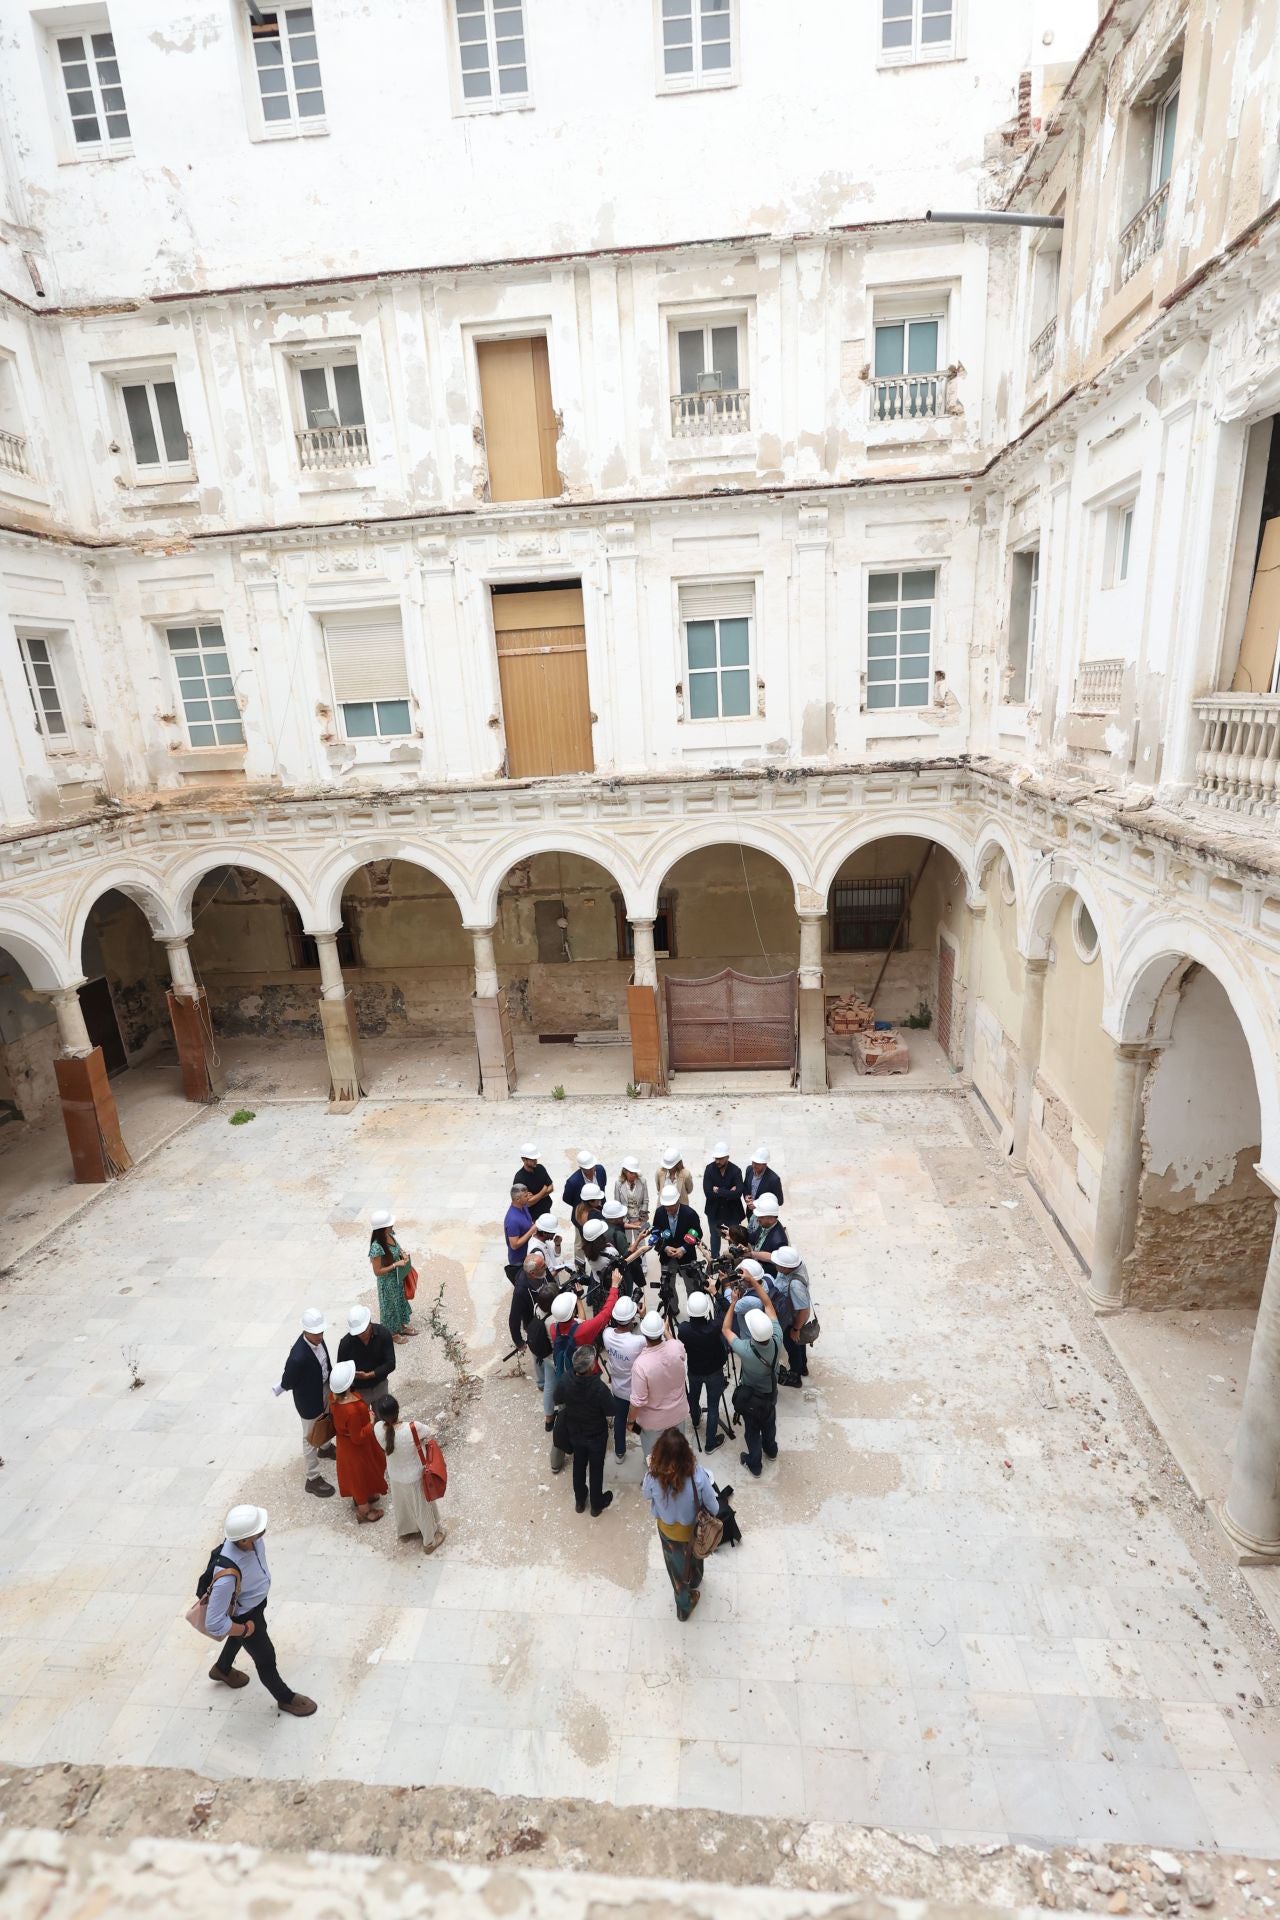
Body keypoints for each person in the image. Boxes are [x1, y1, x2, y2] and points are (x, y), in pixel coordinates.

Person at [206, 1503, 317, 1714]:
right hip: (245, 1617)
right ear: (243, 1539)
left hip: (255, 1606)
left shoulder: (251, 1542)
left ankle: (222, 1668)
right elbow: (214, 1622)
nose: (263, 1531)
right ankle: (285, 1698)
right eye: (259, 1530)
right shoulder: (226, 1575)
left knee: (240, 1640)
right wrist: (245, 1630)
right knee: (266, 1658)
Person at [642, 1429, 720, 1623]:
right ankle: (696, 1579)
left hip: (668, 1534)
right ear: (686, 1453)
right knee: (696, 1557)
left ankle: (684, 1607)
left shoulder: (652, 1477)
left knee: (676, 1572)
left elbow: (646, 1495)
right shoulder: (698, 1476)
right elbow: (714, 1507)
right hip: (693, 1532)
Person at [722, 1279, 783, 1477]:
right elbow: (768, 1305)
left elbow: (726, 1330)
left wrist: (732, 1302)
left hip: (751, 1397)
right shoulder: (776, 1339)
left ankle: (755, 1463)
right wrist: (756, 1284)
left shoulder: (745, 1349)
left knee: (751, 1431)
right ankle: (771, 1450)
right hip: (770, 1394)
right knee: (769, 1422)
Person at [274, 1307, 336, 1499]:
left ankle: (325, 1448)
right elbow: (288, 1382)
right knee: (310, 1438)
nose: (320, 1336)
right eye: (316, 1333)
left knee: (327, 1419)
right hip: (309, 1401)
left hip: (324, 1388)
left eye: (321, 1332)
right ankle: (312, 1477)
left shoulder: (319, 1340)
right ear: (305, 1331)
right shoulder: (297, 1356)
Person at [376, 1394, 446, 1554]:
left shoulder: (377, 1429)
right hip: (414, 1476)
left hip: (395, 1475)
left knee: (403, 1505)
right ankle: (429, 1541)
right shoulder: (413, 1428)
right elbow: (428, 1433)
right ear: (398, 1408)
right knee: (422, 1508)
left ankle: (407, 1530)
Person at [552, 1347, 615, 1516]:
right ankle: (596, 1505)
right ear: (590, 1366)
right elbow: (611, 1409)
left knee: (579, 1465)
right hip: (596, 1435)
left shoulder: (566, 1379)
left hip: (575, 1431)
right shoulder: (599, 1387)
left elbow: (557, 1398)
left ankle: (580, 1501)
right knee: (596, 1468)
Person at [329, 1358, 387, 1522]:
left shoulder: (333, 1398)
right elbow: (358, 1437)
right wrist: (370, 1421)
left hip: (344, 1444)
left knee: (358, 1473)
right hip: (356, 1448)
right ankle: (365, 1511)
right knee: (359, 1476)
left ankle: (366, 1496)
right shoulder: (352, 1410)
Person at [628, 1309, 691, 1456]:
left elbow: (637, 1401)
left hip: (654, 1423)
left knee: (654, 1459)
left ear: (644, 1335)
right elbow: (675, 1345)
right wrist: (667, 1331)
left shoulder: (641, 1365)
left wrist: (631, 1422)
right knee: (678, 1456)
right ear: (661, 1331)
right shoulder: (676, 1347)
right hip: (678, 1415)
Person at [679, 1290, 728, 1453]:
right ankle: (710, 1443)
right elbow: (727, 1309)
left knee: (693, 1397)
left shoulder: (684, 1330)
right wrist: (716, 1292)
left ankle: (695, 1419)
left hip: (694, 1371)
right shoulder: (714, 1327)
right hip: (714, 1372)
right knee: (713, 1406)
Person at [601, 1295, 646, 1461]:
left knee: (619, 1420)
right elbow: (653, 1339)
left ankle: (620, 1452)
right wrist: (643, 1318)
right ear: (632, 1317)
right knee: (643, 1420)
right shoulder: (637, 1342)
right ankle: (648, 1452)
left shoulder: (606, 1334)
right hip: (637, 1390)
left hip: (618, 1388)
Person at [369, 1208, 415, 1343]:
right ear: (383, 1228)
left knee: (399, 1302)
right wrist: (396, 1265)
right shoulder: (376, 1248)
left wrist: (403, 1253)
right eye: (389, 1224)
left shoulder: (389, 1235)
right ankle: (393, 1333)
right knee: (390, 1308)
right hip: (387, 1283)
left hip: (396, 1278)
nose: (392, 1225)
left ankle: (401, 1326)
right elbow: (377, 1271)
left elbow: (397, 1247)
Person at [336, 1305, 396, 1408]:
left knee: (383, 1421)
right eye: (358, 1332)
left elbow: (391, 1364)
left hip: (380, 1386)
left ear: (369, 1322)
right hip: (358, 1391)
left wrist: (369, 1375)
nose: (361, 1335)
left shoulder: (383, 1334)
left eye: (363, 1331)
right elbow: (341, 1371)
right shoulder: (345, 1344)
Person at [771, 1245, 813, 1384]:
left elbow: (804, 1310)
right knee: (800, 1344)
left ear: (785, 1267)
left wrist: (796, 1329)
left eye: (778, 1263)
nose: (775, 1264)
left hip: (793, 1320)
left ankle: (795, 1376)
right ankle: (803, 1368)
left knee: (793, 1346)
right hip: (794, 1317)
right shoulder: (796, 1265)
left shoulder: (795, 1285)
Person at [503, 1185, 537, 1350]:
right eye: (525, 1196)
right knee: (523, 1298)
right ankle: (524, 1329)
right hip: (519, 1262)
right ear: (517, 1199)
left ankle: (527, 1322)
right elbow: (514, 1244)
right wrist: (531, 1230)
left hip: (528, 1256)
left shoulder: (523, 1207)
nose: (528, 1197)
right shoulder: (512, 1219)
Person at [526, 1278, 561, 1432]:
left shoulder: (536, 1307)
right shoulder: (553, 1320)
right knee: (562, 1384)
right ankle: (564, 1411)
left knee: (549, 1386)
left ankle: (548, 1418)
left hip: (544, 1354)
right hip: (554, 1356)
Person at [702, 1142, 745, 1259]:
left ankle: (734, 1259)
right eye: (716, 1158)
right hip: (714, 1211)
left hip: (732, 1212)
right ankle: (715, 1259)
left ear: (727, 1157)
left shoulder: (736, 1170)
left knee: (734, 1237)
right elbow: (708, 1193)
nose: (717, 1161)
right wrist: (729, 1192)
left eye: (720, 1158)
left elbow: (738, 1193)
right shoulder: (709, 1169)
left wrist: (719, 1191)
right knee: (715, 1236)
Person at [746, 1192, 789, 1266]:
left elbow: (776, 1267)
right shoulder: (765, 1224)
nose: (757, 1220)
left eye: (761, 1217)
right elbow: (753, 1238)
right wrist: (735, 1234)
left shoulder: (779, 1241)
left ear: (771, 1219)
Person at [562, 1149, 606, 1214]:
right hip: (583, 1214)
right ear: (581, 1168)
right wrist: (582, 1207)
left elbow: (603, 1184)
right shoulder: (572, 1182)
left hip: (601, 1209)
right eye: (588, 1169)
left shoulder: (600, 1170)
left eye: (593, 1167)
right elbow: (566, 1199)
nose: (592, 1170)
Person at [512, 1144, 553, 1214]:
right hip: (531, 1217)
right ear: (524, 1159)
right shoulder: (519, 1179)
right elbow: (528, 1203)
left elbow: (551, 1188)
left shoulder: (540, 1168)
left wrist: (534, 1197)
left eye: (536, 1159)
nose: (536, 1161)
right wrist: (544, 1189)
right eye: (533, 1159)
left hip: (546, 1210)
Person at [744, 1146, 784, 1215]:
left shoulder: (774, 1179)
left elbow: (779, 1201)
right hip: (750, 1212)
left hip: (765, 1216)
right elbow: (745, 1186)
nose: (754, 1165)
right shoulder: (749, 1169)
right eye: (753, 1162)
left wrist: (757, 1204)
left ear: (765, 1164)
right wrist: (746, 1196)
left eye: (757, 1164)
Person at [614, 1156, 649, 1235]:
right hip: (625, 1219)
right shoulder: (618, 1184)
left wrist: (640, 1220)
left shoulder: (642, 1181)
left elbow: (645, 1201)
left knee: (641, 1241)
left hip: (640, 1217)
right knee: (627, 1243)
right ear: (625, 1172)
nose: (633, 1175)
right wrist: (627, 1222)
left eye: (635, 1173)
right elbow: (618, 1204)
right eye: (631, 1173)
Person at [573, 1181, 605, 1265]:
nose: (600, 1200)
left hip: (588, 1244)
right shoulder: (594, 1214)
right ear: (591, 1201)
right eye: (598, 1199)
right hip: (598, 1246)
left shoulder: (578, 1208)